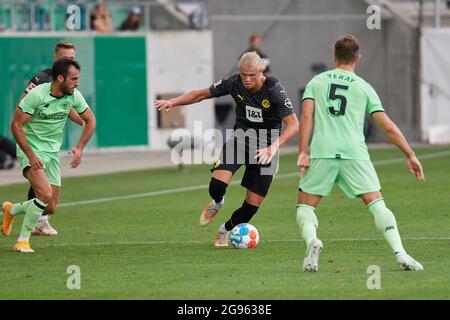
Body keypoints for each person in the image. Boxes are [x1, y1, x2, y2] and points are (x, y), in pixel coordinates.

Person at [297, 34, 425, 272]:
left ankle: (312, 242)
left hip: (322, 152)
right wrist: (410, 154)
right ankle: (401, 253)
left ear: (334, 56)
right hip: (354, 153)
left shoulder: (317, 81)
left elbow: (306, 117)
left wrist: (303, 151)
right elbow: (387, 126)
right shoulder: (364, 87)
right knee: (377, 204)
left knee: (305, 207)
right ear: (358, 57)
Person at [154, 52, 299, 246]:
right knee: (217, 186)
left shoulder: (274, 90)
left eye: (252, 75)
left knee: (251, 207)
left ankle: (224, 230)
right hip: (240, 140)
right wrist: (173, 102)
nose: (247, 79)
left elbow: (294, 124)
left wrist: (273, 148)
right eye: (243, 74)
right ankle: (217, 202)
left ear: (262, 71)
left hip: (266, 148)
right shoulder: (234, 82)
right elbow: (200, 94)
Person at [1, 59, 96, 253]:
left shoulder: (73, 96)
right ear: (60, 78)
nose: (77, 83)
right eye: (74, 79)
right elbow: (16, 125)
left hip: (52, 153)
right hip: (31, 149)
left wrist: (79, 147)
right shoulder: (37, 95)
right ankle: (22, 241)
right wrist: (29, 154)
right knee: (44, 194)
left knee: (50, 207)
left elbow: (90, 120)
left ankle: (11, 210)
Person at [18, 40, 84, 236]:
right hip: (33, 140)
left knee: (48, 197)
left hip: (51, 144)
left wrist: (82, 121)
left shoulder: (70, 81)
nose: (69, 61)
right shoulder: (41, 79)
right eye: (65, 58)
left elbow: (67, 106)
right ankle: (33, 228)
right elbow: (23, 103)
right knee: (42, 189)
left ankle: (16, 211)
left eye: (72, 58)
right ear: (55, 59)